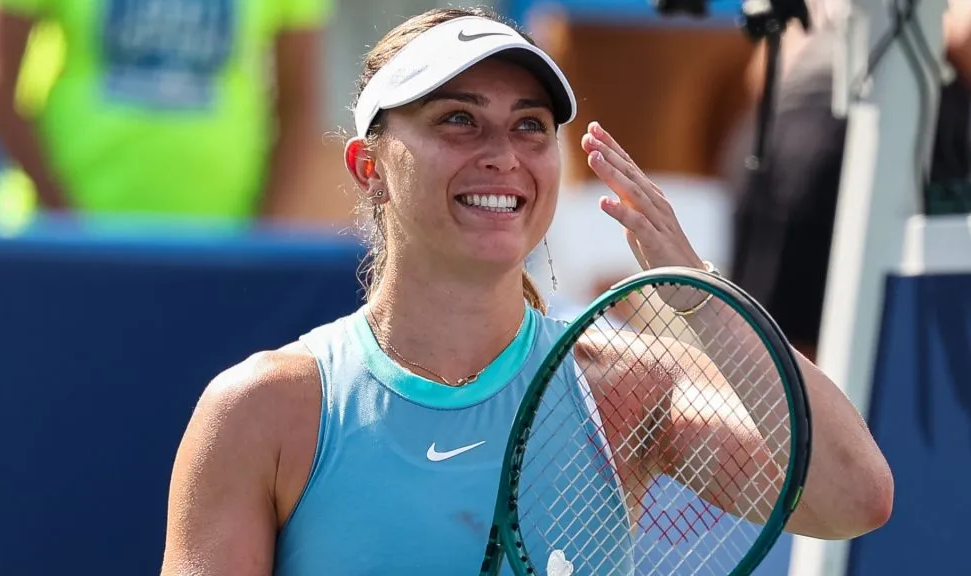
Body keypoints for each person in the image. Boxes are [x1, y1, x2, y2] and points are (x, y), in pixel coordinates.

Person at [160, 7, 894, 575]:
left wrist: (699, 292)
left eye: (530, 127)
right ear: (369, 167)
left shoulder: (621, 389)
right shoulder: (261, 410)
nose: (503, 156)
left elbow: (854, 497)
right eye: (459, 120)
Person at [728, 0, 971, 360]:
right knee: (786, 356)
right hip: (841, 152)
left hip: (780, 141)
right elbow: (963, 37)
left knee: (768, 356)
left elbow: (763, 74)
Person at [0, 0, 330, 224]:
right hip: (55, 244)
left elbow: (298, 103)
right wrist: (67, 225)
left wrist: (260, 234)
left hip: (217, 249)